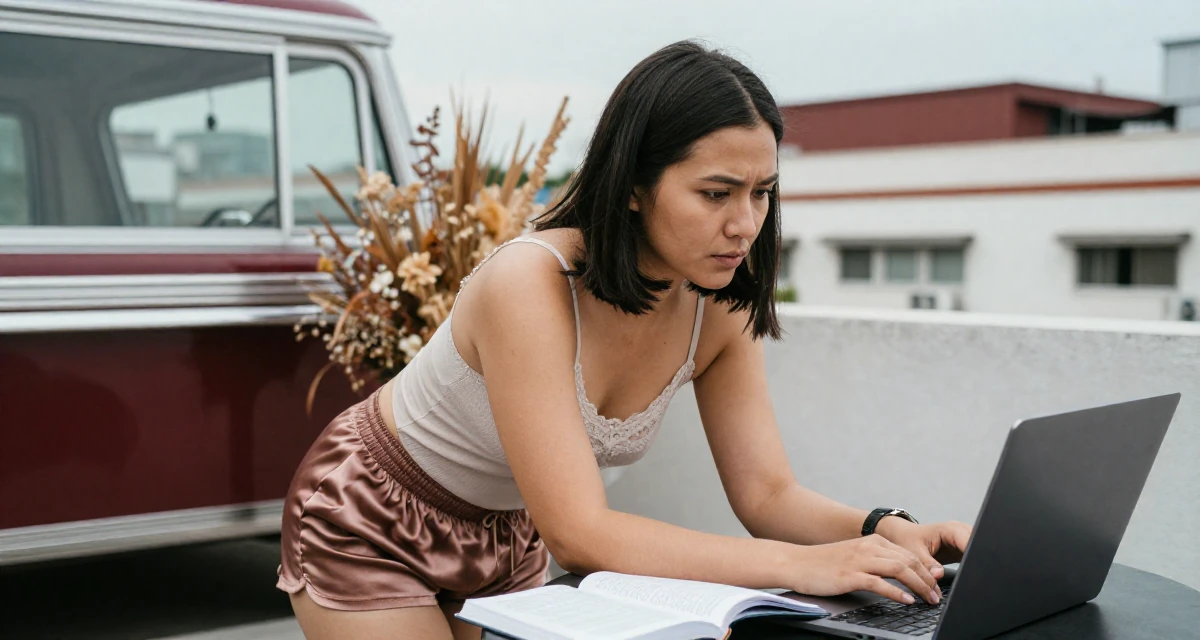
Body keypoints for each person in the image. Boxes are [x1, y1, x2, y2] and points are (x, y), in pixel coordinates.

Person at [277, 39, 973, 640]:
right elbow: (580, 535)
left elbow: (766, 494)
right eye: (716, 193)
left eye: (762, 192)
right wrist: (807, 566)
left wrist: (879, 529)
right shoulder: (530, 283)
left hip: (506, 529)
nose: (745, 224)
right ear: (635, 185)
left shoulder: (717, 308)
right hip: (372, 513)